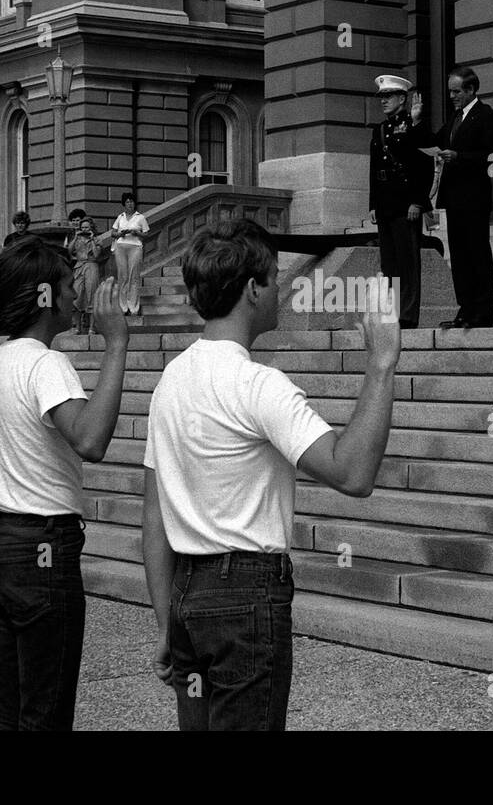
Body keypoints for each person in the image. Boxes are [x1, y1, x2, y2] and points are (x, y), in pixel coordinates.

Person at [142, 218, 401, 731]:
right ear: (252, 289)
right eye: (274, 278)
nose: (281, 288)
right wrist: (382, 364)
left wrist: (166, 621)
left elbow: (153, 516)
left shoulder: (171, 378)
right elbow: (353, 473)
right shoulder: (258, 384)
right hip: (244, 594)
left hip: (187, 593)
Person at [0, 241, 128, 730]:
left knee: (10, 707)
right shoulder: (44, 364)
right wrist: (116, 343)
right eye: (67, 283)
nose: (76, 294)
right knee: (46, 711)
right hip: (41, 547)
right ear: (42, 296)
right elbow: (91, 440)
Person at [435, 66, 493, 329]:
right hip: (454, 198)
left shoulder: (487, 116)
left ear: (471, 89)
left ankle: (483, 313)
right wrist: (416, 120)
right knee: (460, 257)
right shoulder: (454, 119)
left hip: (474, 198)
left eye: (456, 91)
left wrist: (460, 157)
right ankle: (465, 309)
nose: (452, 96)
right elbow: (436, 140)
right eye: (450, 91)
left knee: (477, 255)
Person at [368, 74, 434, 330]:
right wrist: (373, 203)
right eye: (382, 97)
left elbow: (424, 166)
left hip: (407, 203)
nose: (383, 101)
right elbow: (374, 168)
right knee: (390, 263)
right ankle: (393, 312)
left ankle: (407, 314)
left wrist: (418, 202)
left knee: (408, 261)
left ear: (402, 98)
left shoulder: (416, 125)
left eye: (388, 96)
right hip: (386, 202)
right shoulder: (380, 129)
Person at [110, 192, 149, 315]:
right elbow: (113, 233)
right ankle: (123, 306)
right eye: (127, 202)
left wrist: (136, 233)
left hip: (135, 247)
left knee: (134, 276)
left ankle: (133, 307)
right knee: (122, 276)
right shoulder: (120, 217)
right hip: (121, 246)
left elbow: (146, 234)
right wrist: (121, 233)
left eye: (131, 201)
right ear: (124, 204)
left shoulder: (140, 217)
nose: (130, 204)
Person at [67, 217, 103, 334]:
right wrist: (76, 237)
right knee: (76, 295)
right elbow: (69, 251)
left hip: (91, 266)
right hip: (79, 267)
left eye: (87, 227)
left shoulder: (97, 239)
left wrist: (92, 239)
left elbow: (97, 254)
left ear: (91, 228)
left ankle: (92, 327)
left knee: (92, 295)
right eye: (82, 227)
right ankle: (77, 327)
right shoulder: (76, 239)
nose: (84, 229)